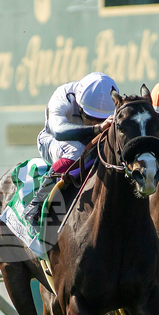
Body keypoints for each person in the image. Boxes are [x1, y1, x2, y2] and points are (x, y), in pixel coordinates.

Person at [25, 72, 117, 225]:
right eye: (90, 117)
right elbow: (59, 132)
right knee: (77, 150)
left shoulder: (113, 102)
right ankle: (37, 201)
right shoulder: (63, 96)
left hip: (91, 142)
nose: (93, 121)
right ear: (79, 105)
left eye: (100, 118)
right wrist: (99, 127)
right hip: (53, 139)